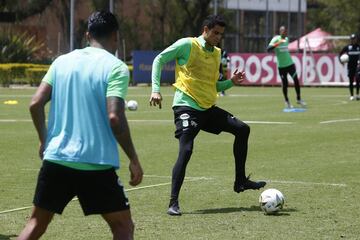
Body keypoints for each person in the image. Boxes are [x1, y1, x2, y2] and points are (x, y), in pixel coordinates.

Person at [17, 11, 143, 240]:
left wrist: (45, 139)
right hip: (95, 163)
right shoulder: (116, 67)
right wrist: (133, 158)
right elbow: (115, 118)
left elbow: (35, 104)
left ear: (87, 35)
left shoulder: (61, 61)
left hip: (56, 158)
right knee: (123, 227)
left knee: (35, 225)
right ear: (116, 36)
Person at [149, 15, 266, 216]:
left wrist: (231, 82)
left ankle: (240, 182)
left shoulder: (217, 53)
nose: (218, 37)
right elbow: (159, 59)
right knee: (186, 150)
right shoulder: (188, 44)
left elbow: (213, 85)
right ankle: (173, 202)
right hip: (186, 106)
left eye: (221, 34)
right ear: (206, 29)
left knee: (243, 129)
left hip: (207, 108)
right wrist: (155, 89)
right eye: (215, 33)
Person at [267, 25, 306, 108]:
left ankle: (299, 98)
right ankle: (287, 101)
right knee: (285, 84)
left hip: (290, 64)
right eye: (283, 31)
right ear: (280, 31)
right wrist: (278, 43)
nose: (285, 33)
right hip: (282, 66)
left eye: (286, 31)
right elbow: (268, 49)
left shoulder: (287, 39)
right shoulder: (276, 39)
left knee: (296, 80)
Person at [339, 33, 360, 100]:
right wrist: (341, 61)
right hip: (350, 67)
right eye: (352, 39)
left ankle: (357, 94)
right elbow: (340, 54)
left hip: (358, 67)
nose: (353, 40)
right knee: (351, 81)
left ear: (357, 39)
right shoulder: (348, 47)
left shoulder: (359, 47)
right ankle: (351, 95)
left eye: (355, 39)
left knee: (358, 80)